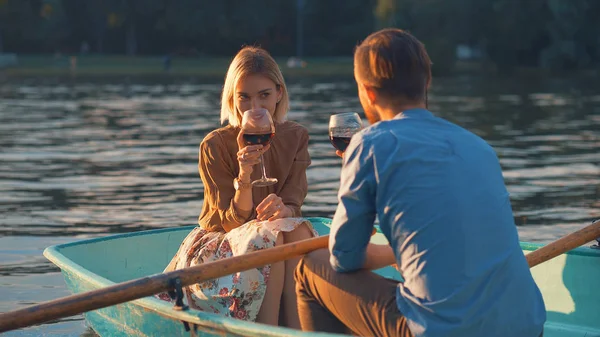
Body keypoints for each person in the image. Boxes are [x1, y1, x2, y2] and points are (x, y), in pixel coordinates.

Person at [294, 28, 546, 337]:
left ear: (368, 94)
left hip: (440, 331)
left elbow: (343, 258)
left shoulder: (368, 145)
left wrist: (359, 170)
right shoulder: (479, 146)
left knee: (310, 267)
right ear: (426, 82)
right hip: (527, 326)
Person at [161, 46, 315, 329]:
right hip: (220, 246)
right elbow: (229, 223)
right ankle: (266, 330)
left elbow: (294, 201)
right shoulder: (214, 145)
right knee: (271, 236)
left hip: (274, 237)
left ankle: (295, 329)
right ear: (232, 98)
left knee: (295, 230)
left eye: (264, 96)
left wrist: (284, 208)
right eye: (244, 98)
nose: (254, 109)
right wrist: (244, 175)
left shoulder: (296, 136)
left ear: (279, 93)